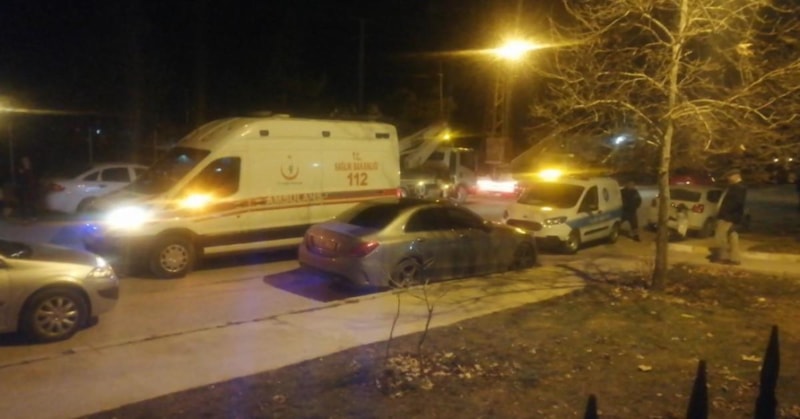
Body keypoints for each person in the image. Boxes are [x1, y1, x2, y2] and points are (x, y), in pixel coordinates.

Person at [713, 168, 747, 265]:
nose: (728, 179)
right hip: (733, 217)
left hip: (727, 217)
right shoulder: (739, 187)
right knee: (733, 236)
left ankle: (723, 257)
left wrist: (725, 212)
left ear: (736, 176)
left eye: (729, 176)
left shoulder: (738, 188)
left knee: (720, 236)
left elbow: (736, 203)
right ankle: (734, 258)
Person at [15, 155, 39, 222]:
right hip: (23, 188)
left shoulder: (31, 169)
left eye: (26, 161)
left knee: (31, 202)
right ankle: (24, 217)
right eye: (24, 161)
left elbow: (34, 178)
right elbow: (19, 178)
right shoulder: (20, 169)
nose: (26, 162)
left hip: (31, 188)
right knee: (23, 203)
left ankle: (33, 216)